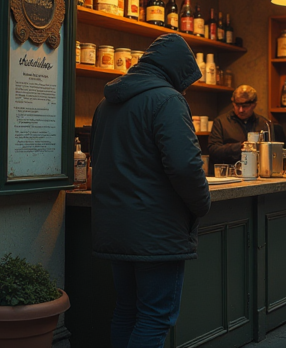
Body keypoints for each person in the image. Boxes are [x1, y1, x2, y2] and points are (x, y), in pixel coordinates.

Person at [91, 34, 211, 347]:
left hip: (115, 226)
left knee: (127, 310)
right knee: (156, 316)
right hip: (157, 229)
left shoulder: (106, 104)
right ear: (177, 70)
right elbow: (185, 166)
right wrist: (202, 204)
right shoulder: (167, 100)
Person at [208, 85, 286, 166]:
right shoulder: (221, 122)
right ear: (233, 103)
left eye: (245, 106)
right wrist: (239, 147)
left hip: (260, 173)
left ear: (254, 105)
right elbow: (213, 150)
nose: (241, 110)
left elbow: (276, 153)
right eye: (237, 105)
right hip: (231, 173)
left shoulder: (265, 123)